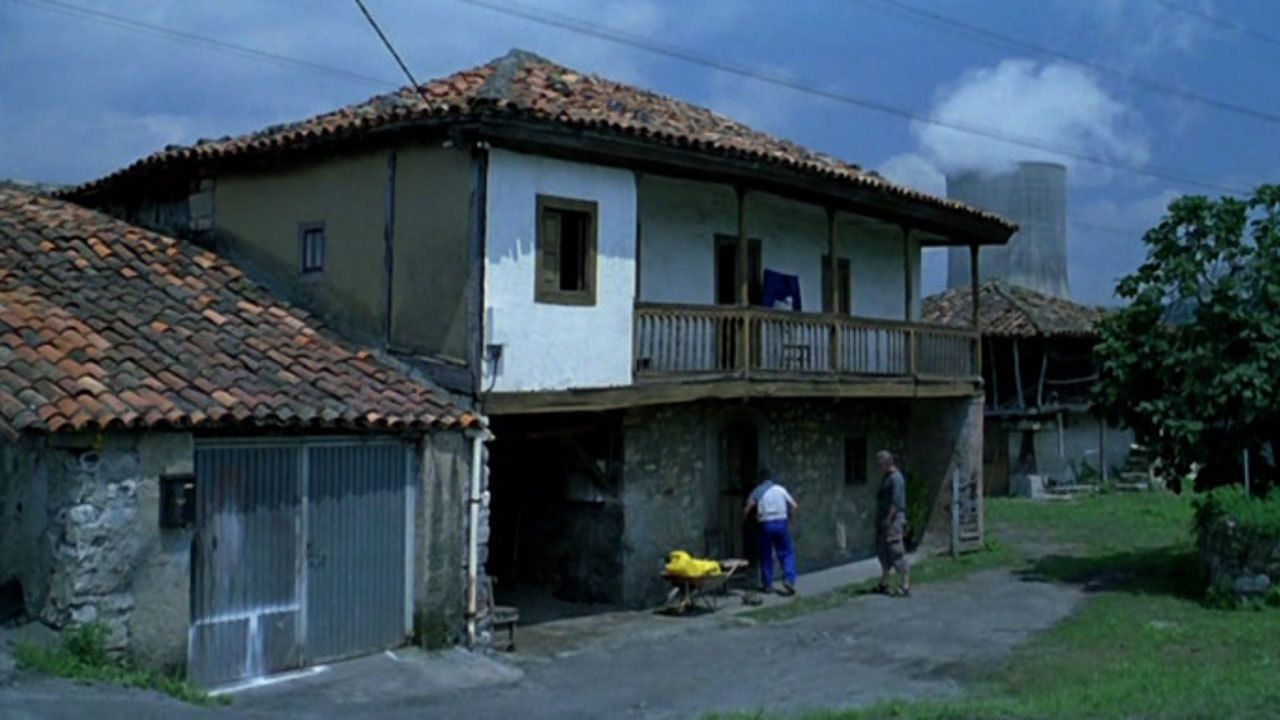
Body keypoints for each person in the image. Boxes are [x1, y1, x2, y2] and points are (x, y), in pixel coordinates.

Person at [744, 467, 798, 596]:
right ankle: (789, 578)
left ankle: (767, 584)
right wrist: (790, 519)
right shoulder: (780, 489)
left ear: (760, 479)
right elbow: (794, 505)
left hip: (765, 524)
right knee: (786, 553)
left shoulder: (757, 491)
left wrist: (744, 520)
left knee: (766, 555)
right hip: (781, 522)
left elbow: (748, 506)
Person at [875, 450, 911, 597]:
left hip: (893, 520)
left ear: (887, 463)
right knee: (883, 551)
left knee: (895, 550)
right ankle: (884, 583)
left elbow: (895, 502)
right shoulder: (887, 477)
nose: (879, 467)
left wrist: (889, 520)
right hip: (884, 519)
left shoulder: (896, 478)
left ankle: (905, 584)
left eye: (880, 464)